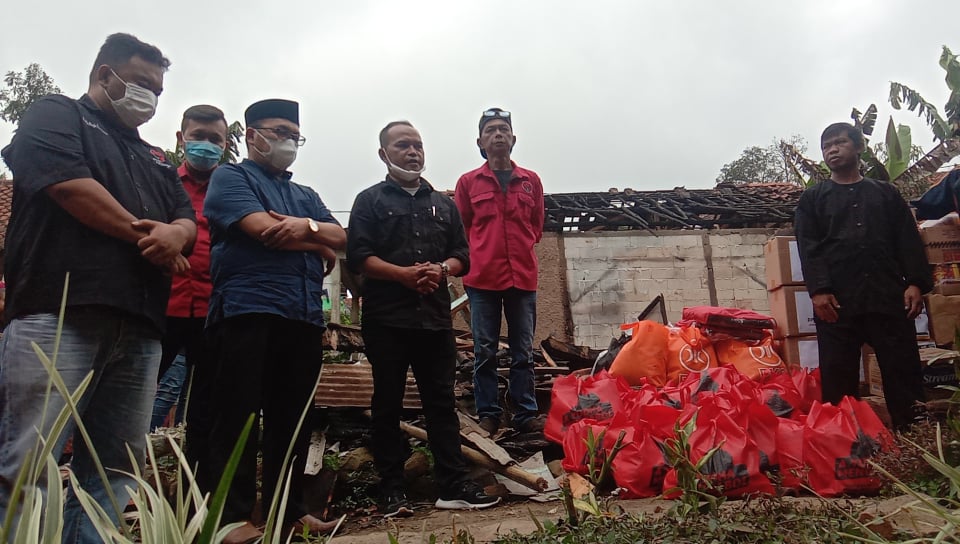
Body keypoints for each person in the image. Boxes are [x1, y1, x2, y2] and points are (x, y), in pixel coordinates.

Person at [0, 33, 196, 542]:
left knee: (117, 468)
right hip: (59, 312)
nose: (149, 97)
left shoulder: (154, 156)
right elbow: (68, 186)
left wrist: (177, 233)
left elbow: (184, 217)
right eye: (139, 83)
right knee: (31, 460)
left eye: (157, 89)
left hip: (141, 327)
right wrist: (152, 236)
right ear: (104, 75)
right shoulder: (54, 115)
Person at [202, 98, 345, 543]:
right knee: (238, 417)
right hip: (246, 310)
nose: (286, 141)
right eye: (278, 131)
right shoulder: (231, 177)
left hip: (301, 315)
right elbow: (263, 229)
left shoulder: (305, 195)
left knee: (293, 419)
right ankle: (232, 517)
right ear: (252, 134)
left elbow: (345, 237)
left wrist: (310, 230)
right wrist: (317, 240)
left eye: (293, 134)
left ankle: (290, 511)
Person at [347, 120, 500, 518]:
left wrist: (441, 270)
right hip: (387, 320)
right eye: (402, 146)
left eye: (417, 146)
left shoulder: (443, 205)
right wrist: (401, 274)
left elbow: (462, 256)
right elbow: (359, 257)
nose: (413, 152)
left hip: (434, 321)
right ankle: (393, 490)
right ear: (384, 154)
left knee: (440, 404)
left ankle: (452, 485)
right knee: (387, 403)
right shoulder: (369, 202)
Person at [795, 122, 931, 430]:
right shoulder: (813, 200)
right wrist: (819, 290)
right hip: (838, 303)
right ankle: (841, 440)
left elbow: (907, 240)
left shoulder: (886, 194)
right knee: (838, 375)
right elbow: (809, 248)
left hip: (888, 297)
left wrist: (915, 283)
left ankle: (915, 438)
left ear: (859, 147)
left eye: (839, 142)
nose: (832, 150)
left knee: (902, 370)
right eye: (826, 146)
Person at [150, 105, 227, 494]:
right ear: (181, 139)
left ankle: (199, 504)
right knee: (134, 405)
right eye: (198, 136)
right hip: (159, 310)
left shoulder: (233, 188)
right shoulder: (160, 181)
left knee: (206, 414)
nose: (206, 145)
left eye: (215, 139)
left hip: (214, 313)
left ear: (226, 145)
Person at [454, 108, 545, 435]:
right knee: (485, 350)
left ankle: (525, 414)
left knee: (522, 351)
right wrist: (480, 254)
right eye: (490, 130)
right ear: (480, 141)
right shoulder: (468, 183)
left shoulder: (531, 181)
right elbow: (462, 228)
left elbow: (536, 226)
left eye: (503, 129)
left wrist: (520, 247)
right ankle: (489, 414)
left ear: (513, 138)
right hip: (482, 280)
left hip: (522, 278)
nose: (498, 134)